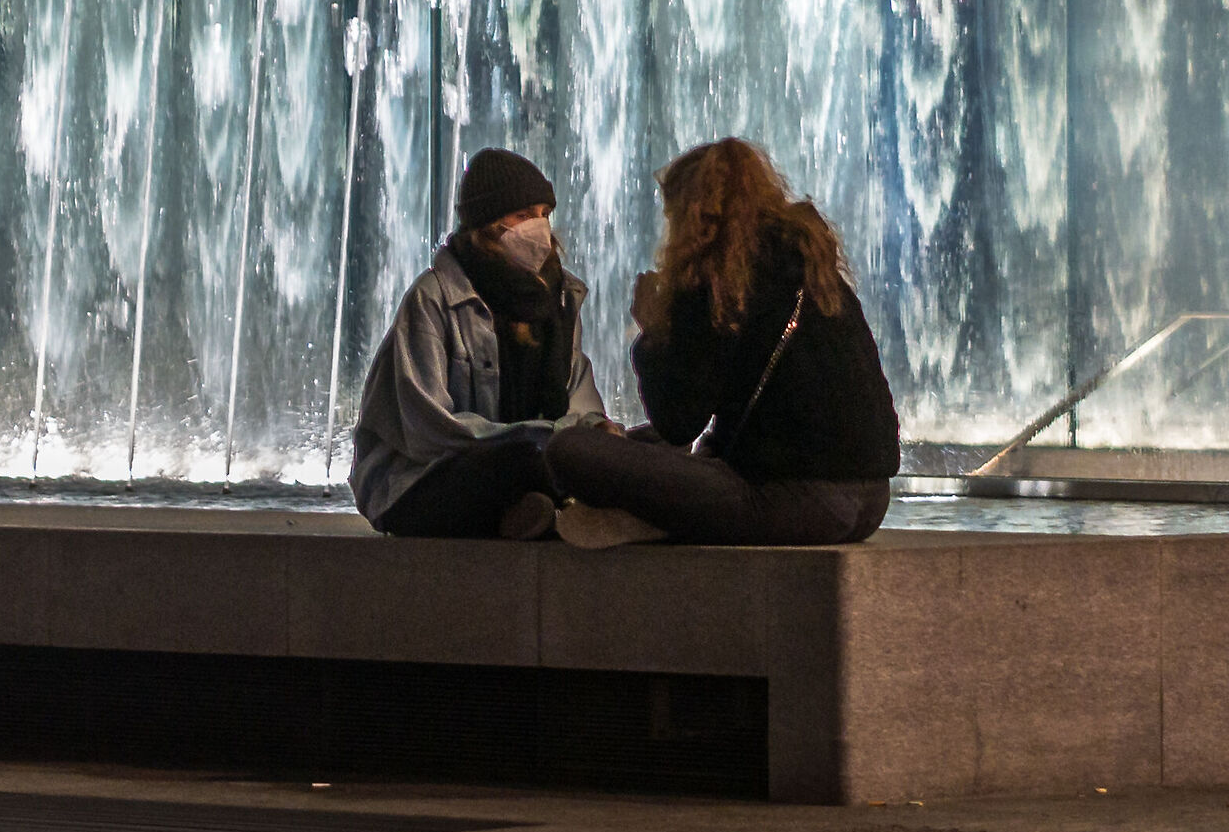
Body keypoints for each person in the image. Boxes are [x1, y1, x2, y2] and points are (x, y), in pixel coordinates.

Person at [545, 138, 899, 547]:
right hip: (872, 502)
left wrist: (655, 331)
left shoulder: (717, 283)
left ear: (690, 212)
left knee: (569, 450)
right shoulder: (815, 271)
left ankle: (652, 519)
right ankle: (656, 518)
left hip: (797, 504)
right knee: (639, 443)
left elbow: (678, 422)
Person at [350, 147, 613, 537]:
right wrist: (543, 437)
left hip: (522, 461)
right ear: (487, 224)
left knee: (606, 456)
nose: (538, 228)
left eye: (543, 214)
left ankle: (528, 515)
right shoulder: (434, 297)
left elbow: (580, 399)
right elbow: (428, 430)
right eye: (522, 216)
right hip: (421, 479)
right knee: (523, 463)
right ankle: (546, 510)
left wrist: (598, 433)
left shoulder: (561, 299)